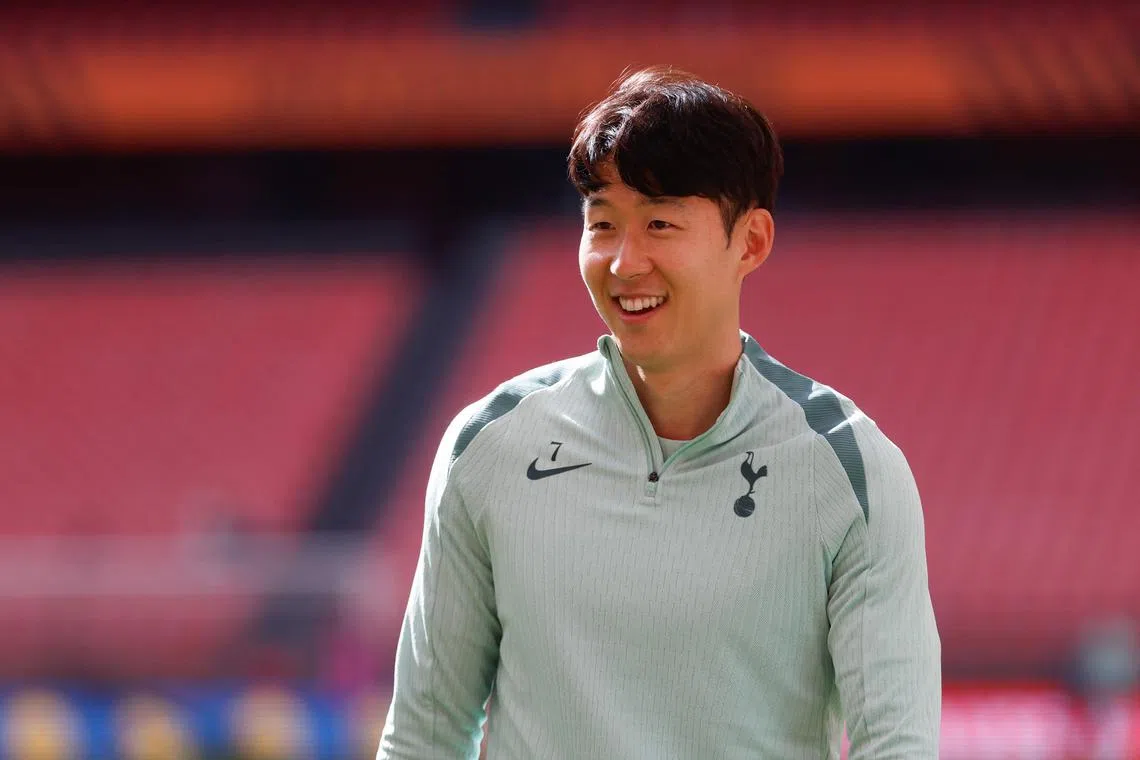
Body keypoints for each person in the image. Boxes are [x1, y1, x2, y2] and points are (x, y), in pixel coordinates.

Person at [378, 66, 941, 759]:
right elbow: (424, 738)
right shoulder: (489, 445)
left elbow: (897, 747)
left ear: (751, 241)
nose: (624, 262)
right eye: (603, 224)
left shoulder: (851, 470)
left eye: (660, 223)